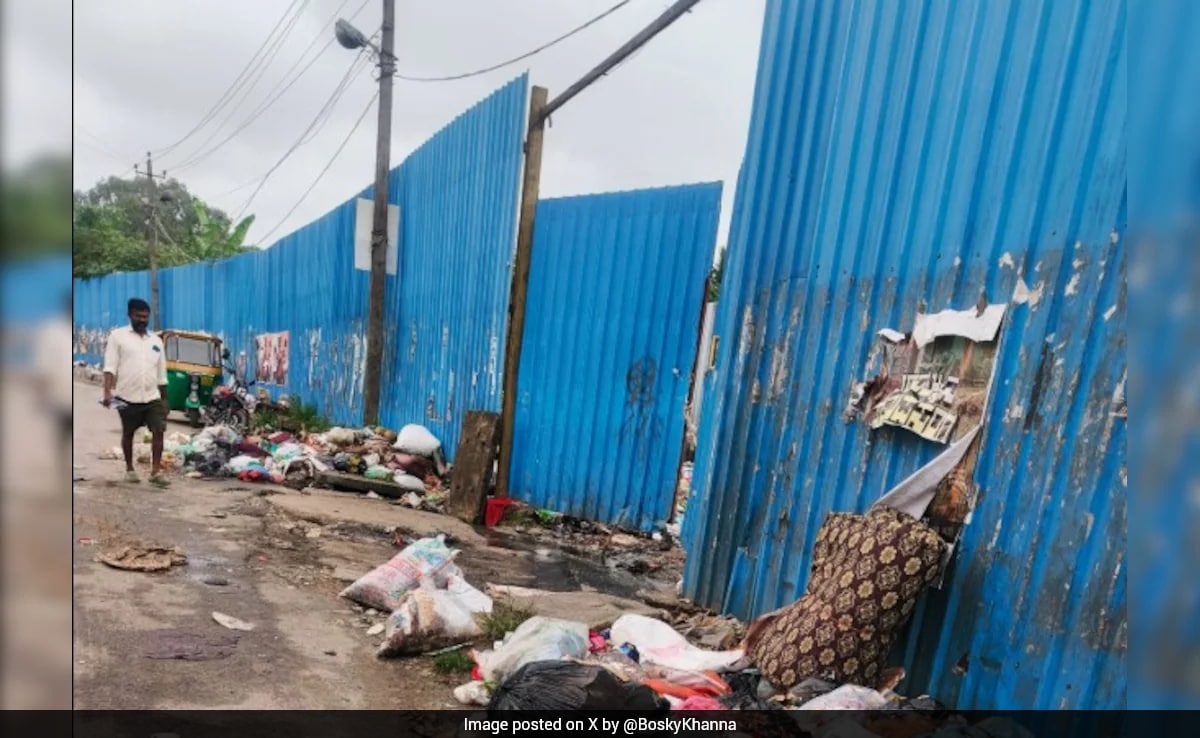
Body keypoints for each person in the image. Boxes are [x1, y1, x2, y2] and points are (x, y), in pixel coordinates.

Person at [102, 298, 169, 488]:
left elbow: (162, 374)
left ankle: (155, 472)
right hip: (126, 396)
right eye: (138, 316)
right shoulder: (117, 337)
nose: (142, 320)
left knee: (159, 431)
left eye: (145, 317)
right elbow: (110, 367)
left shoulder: (156, 341)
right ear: (130, 315)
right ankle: (130, 469)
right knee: (128, 432)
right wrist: (107, 392)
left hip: (152, 396)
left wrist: (165, 400)